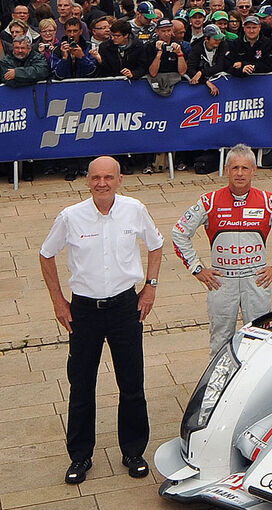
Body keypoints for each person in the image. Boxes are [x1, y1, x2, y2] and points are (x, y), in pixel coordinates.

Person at [40, 156, 163, 485]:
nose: (102, 183)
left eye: (109, 177)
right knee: (81, 386)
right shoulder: (71, 217)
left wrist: (149, 289)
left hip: (125, 307)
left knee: (132, 384)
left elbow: (156, 245)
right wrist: (57, 301)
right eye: (96, 177)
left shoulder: (134, 210)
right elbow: (46, 254)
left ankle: (134, 451)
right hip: (84, 310)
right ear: (87, 180)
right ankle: (80, 456)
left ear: (120, 180)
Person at [172, 144, 272, 354]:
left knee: (260, 337)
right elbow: (179, 232)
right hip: (221, 281)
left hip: (256, 280)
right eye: (235, 168)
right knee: (220, 338)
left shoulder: (268, 201)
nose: (240, 173)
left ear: (254, 170)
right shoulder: (210, 201)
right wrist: (197, 269)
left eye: (245, 168)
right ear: (227, 170)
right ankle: (219, 384)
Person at [188, 24, 229, 95]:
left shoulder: (223, 45)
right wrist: (206, 81)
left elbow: (220, 66)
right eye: (215, 39)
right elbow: (191, 70)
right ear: (206, 39)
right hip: (203, 85)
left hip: (221, 81)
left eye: (220, 38)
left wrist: (201, 72)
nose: (218, 41)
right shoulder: (196, 48)